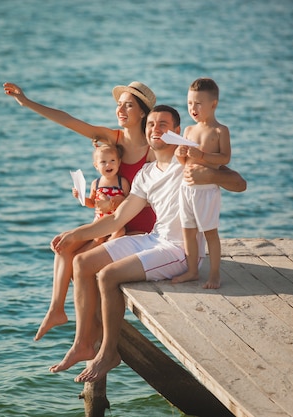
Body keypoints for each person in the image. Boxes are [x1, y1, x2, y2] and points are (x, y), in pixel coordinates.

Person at [48, 105, 246, 383]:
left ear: (177, 131)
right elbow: (117, 219)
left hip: (180, 250)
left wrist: (209, 175)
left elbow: (239, 183)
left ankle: (108, 352)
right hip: (155, 239)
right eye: (151, 124)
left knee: (108, 275)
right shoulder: (146, 173)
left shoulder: (191, 161)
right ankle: (83, 342)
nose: (155, 129)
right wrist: (77, 234)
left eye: (163, 124)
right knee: (82, 262)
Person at [3, 81, 158, 341]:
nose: (121, 109)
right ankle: (57, 310)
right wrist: (26, 102)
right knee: (63, 247)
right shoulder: (113, 139)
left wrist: (120, 203)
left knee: (80, 263)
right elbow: (69, 120)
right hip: (107, 225)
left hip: (138, 231)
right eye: (119, 104)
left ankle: (95, 336)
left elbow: (155, 198)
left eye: (129, 105)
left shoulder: (152, 151)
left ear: (143, 112)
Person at [172, 78, 231, 289]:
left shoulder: (219, 131)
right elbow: (185, 162)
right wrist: (180, 155)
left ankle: (215, 275)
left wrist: (203, 155)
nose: (192, 108)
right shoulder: (188, 130)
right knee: (187, 229)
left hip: (206, 191)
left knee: (209, 232)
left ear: (213, 104)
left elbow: (225, 158)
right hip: (186, 189)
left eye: (198, 103)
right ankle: (192, 270)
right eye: (189, 103)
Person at [73, 143, 130, 242]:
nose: (108, 164)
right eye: (103, 162)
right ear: (96, 165)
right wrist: (80, 197)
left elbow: (129, 201)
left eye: (112, 161)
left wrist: (115, 201)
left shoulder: (122, 183)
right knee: (98, 238)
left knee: (120, 232)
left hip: (115, 220)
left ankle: (107, 246)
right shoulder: (96, 183)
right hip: (100, 220)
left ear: (119, 162)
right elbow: (92, 203)